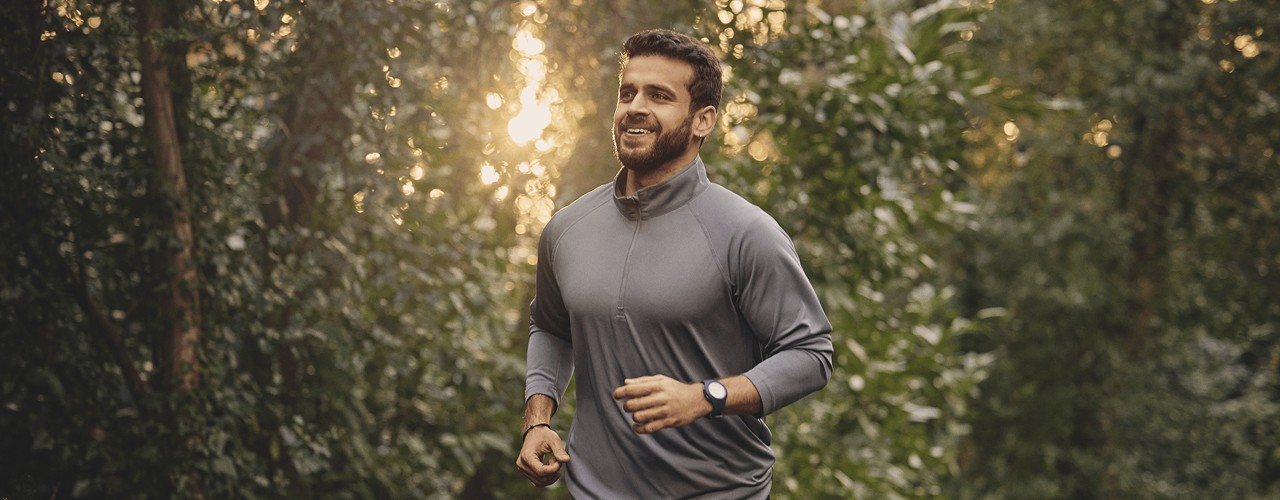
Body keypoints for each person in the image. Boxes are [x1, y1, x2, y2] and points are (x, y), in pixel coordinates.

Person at [515, 28, 833, 499]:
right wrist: (537, 419)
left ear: (702, 120)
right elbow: (551, 328)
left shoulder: (746, 233)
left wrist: (707, 397)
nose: (635, 107)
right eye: (628, 93)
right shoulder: (567, 229)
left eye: (659, 95)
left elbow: (811, 355)